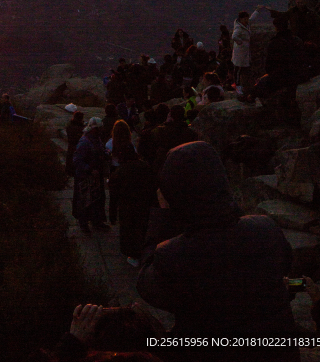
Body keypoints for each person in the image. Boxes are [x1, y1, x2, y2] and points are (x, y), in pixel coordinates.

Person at [137, 141, 299, 360]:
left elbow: (146, 287)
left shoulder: (174, 256)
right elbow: (284, 272)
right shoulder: (266, 229)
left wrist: (163, 215)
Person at [108, 143, 157, 266]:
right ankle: (142, 252)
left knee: (129, 231)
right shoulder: (145, 166)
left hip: (127, 206)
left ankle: (133, 255)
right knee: (141, 229)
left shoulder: (120, 171)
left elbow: (114, 195)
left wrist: (112, 213)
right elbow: (153, 185)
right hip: (143, 204)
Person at [240, 17, 306, 104]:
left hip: (284, 78)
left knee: (261, 82)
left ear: (276, 27)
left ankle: (250, 97)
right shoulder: (297, 40)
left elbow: (269, 67)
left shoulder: (275, 43)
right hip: (300, 75)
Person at [72, 116, 110, 235]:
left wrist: (105, 153)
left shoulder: (96, 139)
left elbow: (100, 150)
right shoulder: (84, 142)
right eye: (99, 128)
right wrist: (89, 169)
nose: (101, 131)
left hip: (95, 176)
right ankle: (84, 224)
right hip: (85, 178)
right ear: (94, 129)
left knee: (98, 199)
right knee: (85, 201)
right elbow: (77, 160)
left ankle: (97, 221)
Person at [152, 103, 198, 175]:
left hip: (165, 167)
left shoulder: (161, 132)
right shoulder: (191, 133)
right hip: (186, 167)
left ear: (170, 115)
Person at [231, 11, 252, 97]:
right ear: (241, 19)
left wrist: (257, 11)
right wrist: (240, 42)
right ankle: (237, 85)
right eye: (245, 18)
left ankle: (242, 85)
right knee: (238, 69)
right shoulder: (239, 28)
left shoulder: (244, 25)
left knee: (243, 69)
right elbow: (234, 36)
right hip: (240, 52)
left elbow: (252, 19)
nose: (247, 20)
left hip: (244, 52)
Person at [65, 111, 85, 175]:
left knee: (69, 161)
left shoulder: (70, 125)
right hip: (77, 147)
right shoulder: (80, 128)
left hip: (71, 147)